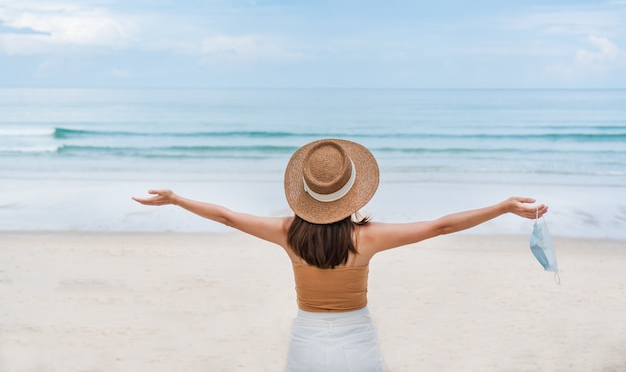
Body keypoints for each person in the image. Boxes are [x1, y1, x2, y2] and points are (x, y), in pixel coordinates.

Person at [132, 138, 548, 372]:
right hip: (357, 341)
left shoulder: (285, 233)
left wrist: (176, 199)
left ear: (305, 193)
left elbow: (225, 217)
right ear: (351, 193)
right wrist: (503, 207)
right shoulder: (366, 238)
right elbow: (441, 226)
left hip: (307, 341)